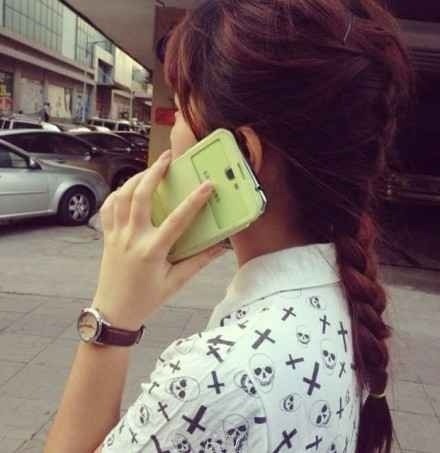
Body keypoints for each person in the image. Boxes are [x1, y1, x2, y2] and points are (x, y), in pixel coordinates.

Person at [44, 1, 412, 452]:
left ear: (240, 154)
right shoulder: (342, 300)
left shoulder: (217, 381)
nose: (171, 131)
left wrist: (111, 319)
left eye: (180, 108)